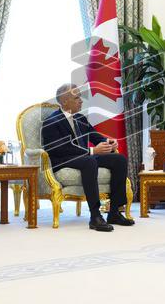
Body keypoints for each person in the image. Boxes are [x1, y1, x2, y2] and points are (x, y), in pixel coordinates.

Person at [42, 83, 134, 232]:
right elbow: (61, 149)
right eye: (77, 97)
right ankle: (95, 216)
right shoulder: (51, 122)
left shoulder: (81, 118)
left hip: (84, 157)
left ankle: (114, 212)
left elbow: (95, 136)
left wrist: (108, 142)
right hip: (64, 159)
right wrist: (92, 151)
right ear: (65, 101)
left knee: (119, 159)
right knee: (90, 161)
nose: (81, 100)